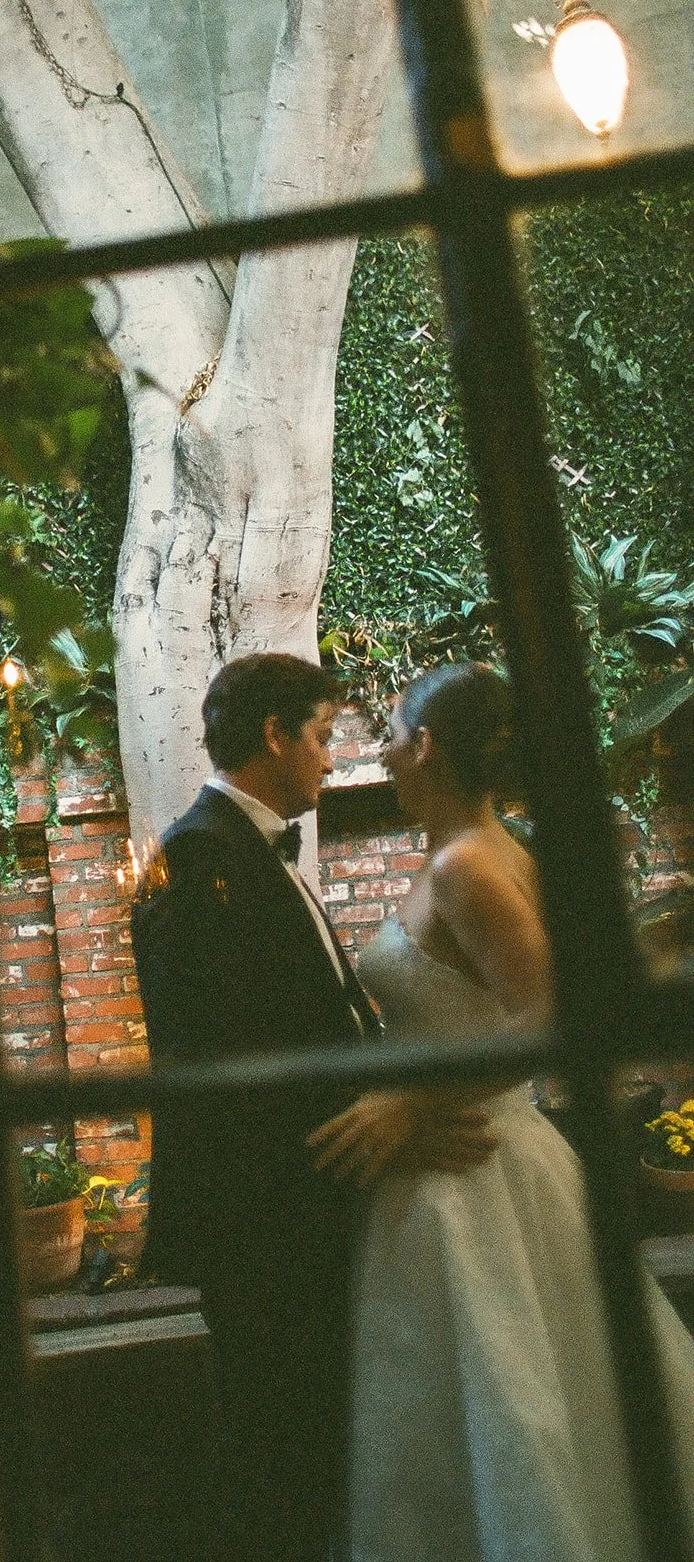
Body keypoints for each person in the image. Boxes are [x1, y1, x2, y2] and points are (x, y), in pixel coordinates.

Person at [308, 661, 694, 1561]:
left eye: (389, 737)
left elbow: (548, 1019)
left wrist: (413, 1100)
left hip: (475, 1169)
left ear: (425, 744)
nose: (381, 756)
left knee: (510, 1394)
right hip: (468, 1161)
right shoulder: (477, 852)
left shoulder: (467, 865)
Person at [131, 653, 498, 1562]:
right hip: (266, 1225)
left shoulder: (246, 849)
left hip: (303, 1214)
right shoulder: (200, 858)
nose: (333, 761)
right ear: (273, 735)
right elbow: (225, 1066)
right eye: (323, 736)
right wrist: (384, 1121)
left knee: (317, 1454)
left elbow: (307, 1023)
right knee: (282, 1466)